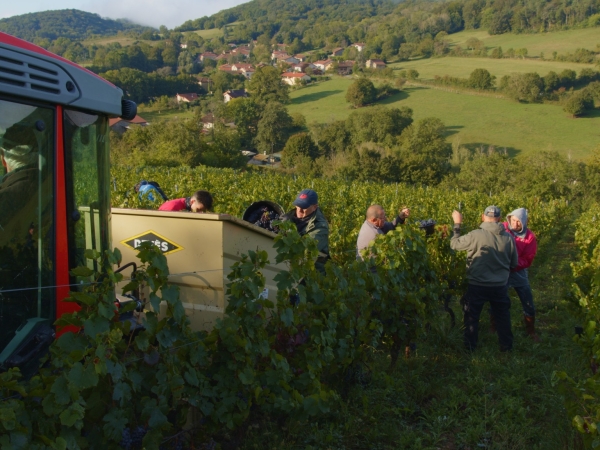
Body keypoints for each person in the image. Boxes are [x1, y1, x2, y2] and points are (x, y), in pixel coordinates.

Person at [450, 205, 518, 352]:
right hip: (500, 285)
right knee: (503, 316)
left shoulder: (475, 235)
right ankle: (506, 347)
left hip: (477, 284)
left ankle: (470, 348)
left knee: (472, 317)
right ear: (499, 219)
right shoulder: (509, 238)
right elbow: (514, 263)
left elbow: (454, 244)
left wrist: (457, 224)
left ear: (483, 217)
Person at [502, 208, 539, 341]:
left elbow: (528, 259)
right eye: (513, 220)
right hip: (502, 271)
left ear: (524, 222)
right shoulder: (502, 229)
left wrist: (513, 264)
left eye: (519, 222)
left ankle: (530, 330)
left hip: (518, 272)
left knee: (527, 299)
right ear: (509, 218)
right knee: (498, 298)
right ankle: (494, 326)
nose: (515, 224)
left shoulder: (529, 237)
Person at [281, 189, 329, 273]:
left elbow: (307, 247)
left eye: (304, 207)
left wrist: (287, 231)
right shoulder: (289, 217)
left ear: (314, 207)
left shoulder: (321, 226)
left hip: (311, 271)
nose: (299, 210)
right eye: (298, 205)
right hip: (289, 265)